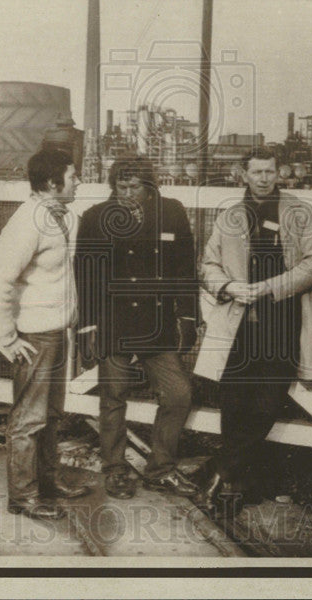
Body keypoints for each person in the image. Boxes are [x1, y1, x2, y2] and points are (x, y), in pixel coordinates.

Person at [199, 148, 312, 512]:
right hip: (239, 325)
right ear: (244, 174)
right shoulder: (229, 216)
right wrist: (228, 287)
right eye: (256, 172)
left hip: (282, 322)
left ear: (279, 173)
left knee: (266, 404)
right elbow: (208, 264)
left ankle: (221, 474)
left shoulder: (301, 212)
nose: (264, 178)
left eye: (270, 171)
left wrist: (271, 287)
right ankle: (238, 485)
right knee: (233, 403)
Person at [74, 155, 199, 500]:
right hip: (113, 322)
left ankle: (160, 469)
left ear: (149, 186)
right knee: (113, 397)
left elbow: (186, 269)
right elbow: (85, 275)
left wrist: (188, 317)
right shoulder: (95, 217)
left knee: (178, 394)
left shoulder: (171, 211)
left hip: (157, 324)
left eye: (133, 187)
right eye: (121, 187)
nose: (127, 194)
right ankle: (115, 470)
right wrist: (87, 327)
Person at [0, 148, 92, 521]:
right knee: (29, 420)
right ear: (52, 182)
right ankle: (23, 496)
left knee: (52, 414)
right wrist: (8, 338)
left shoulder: (62, 216)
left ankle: (48, 480)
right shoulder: (27, 222)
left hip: (58, 333)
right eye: (73, 176)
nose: (78, 182)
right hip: (35, 337)